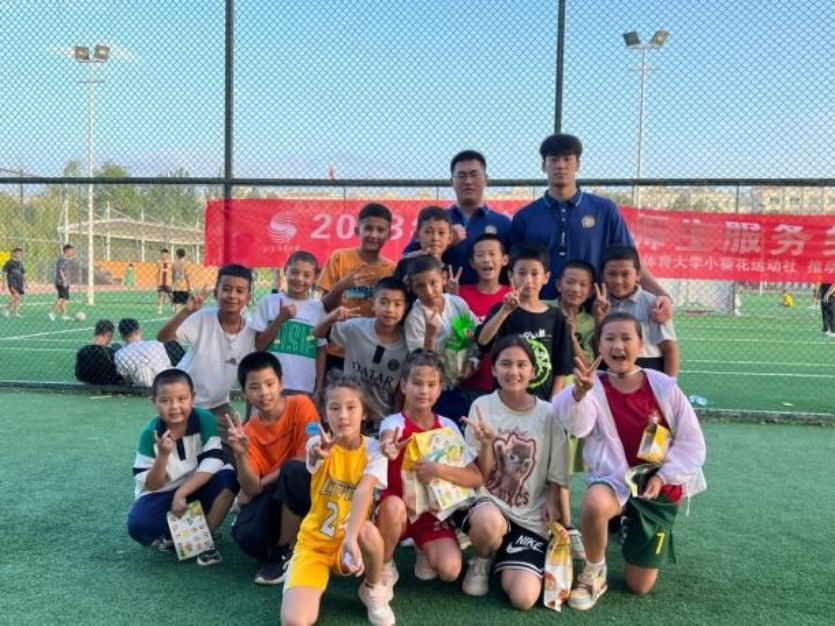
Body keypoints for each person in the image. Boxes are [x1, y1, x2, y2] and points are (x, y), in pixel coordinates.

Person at [553, 312, 707, 610]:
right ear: (599, 345)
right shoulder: (591, 385)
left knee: (639, 587)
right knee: (594, 503)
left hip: (656, 486)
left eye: (626, 338)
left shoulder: (663, 387)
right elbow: (578, 428)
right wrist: (579, 396)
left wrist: (664, 476)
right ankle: (595, 571)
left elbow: (692, 443)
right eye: (609, 338)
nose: (618, 346)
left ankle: (633, 523)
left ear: (640, 343)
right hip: (615, 481)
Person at [508, 133, 673, 322]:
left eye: (567, 159)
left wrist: (664, 296)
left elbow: (630, 262)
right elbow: (512, 271)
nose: (560, 165)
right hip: (539, 314)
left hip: (595, 313)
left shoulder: (604, 210)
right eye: (553, 159)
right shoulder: (525, 217)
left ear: (578, 164)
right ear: (543, 165)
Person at [459, 335, 569, 609]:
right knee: (489, 525)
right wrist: (487, 444)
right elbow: (477, 473)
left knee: (524, 598)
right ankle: (482, 558)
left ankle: (505, 555)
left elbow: (558, 463)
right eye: (505, 364)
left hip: (529, 515)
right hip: (489, 502)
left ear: (533, 370)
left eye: (521, 365)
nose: (514, 371)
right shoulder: (482, 406)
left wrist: (553, 499)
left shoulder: (549, 413)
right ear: (494, 369)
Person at [280, 375, 394, 626]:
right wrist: (317, 454)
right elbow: (314, 454)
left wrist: (350, 538)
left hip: (351, 541)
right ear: (324, 413)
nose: (343, 415)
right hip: (315, 543)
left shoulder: (374, 449)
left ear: (364, 413)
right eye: (334, 408)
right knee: (295, 621)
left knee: (368, 532)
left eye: (351, 407)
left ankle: (372, 587)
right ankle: (299, 573)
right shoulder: (317, 443)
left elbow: (364, 490)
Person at [376, 349, 483, 588]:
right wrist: (388, 447)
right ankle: (385, 563)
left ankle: (422, 548)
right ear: (403, 385)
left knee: (450, 570)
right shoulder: (393, 423)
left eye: (431, 384)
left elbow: (475, 477)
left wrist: (438, 470)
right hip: (397, 513)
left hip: (431, 514)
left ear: (440, 388)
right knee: (393, 506)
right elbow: (387, 439)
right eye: (417, 383)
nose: (424, 390)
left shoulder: (447, 427)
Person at [127, 369, 239, 566]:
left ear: (192, 398)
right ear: (153, 401)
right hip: (161, 492)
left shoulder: (204, 418)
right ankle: (171, 534)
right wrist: (162, 456)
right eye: (165, 400)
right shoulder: (149, 433)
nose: (175, 407)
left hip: (195, 485)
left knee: (228, 477)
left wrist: (181, 493)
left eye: (182, 399)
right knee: (139, 525)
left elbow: (214, 461)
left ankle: (203, 540)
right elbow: (151, 485)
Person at [228, 352, 319, 585]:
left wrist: (263, 482)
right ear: (244, 392)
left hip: (307, 486)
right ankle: (292, 539)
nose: (264, 392)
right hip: (275, 495)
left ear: (281, 383)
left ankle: (285, 550)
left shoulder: (302, 404)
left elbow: (306, 457)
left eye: (269, 384)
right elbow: (251, 488)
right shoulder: (248, 432)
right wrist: (240, 454)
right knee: (247, 538)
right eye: (254, 387)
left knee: (293, 470)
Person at [156, 264, 257, 459]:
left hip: (218, 405)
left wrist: (247, 418)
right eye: (226, 289)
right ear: (216, 292)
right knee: (180, 457)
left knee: (238, 451)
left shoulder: (251, 332)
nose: (232, 295)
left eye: (239, 291)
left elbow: (250, 380)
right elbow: (163, 337)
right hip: (185, 403)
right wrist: (186, 311)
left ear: (248, 297)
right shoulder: (203, 318)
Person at [476, 242, 574, 402]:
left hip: (542, 404)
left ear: (546, 277)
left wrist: (553, 402)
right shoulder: (502, 309)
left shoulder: (555, 317)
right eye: (521, 273)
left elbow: (561, 367)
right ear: (511, 276)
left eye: (535, 273)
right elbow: (483, 341)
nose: (528, 280)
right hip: (504, 402)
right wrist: (505, 311)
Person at [402, 151, 511, 286]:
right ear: (451, 182)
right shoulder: (438, 220)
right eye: (461, 176)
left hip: (487, 298)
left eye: (474, 175)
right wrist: (445, 243)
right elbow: (406, 258)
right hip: (441, 297)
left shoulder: (502, 223)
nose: (468, 181)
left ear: (486, 180)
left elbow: (511, 268)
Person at [313, 277, 409, 428]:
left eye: (397, 304)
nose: (390, 309)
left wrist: (395, 419)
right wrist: (331, 318)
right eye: (383, 302)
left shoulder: (408, 344)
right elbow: (317, 333)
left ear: (405, 308)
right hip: (348, 416)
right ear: (373, 303)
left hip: (381, 419)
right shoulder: (356, 328)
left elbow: (400, 388)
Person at [317, 203, 396, 372]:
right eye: (368, 228)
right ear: (356, 231)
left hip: (370, 355)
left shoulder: (392, 270)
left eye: (380, 230)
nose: (374, 235)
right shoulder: (339, 258)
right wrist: (340, 287)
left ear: (390, 234)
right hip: (337, 351)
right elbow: (323, 307)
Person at [404, 255, 478, 421]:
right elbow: (421, 364)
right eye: (420, 286)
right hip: (436, 391)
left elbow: (474, 336)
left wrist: (472, 362)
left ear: (443, 278)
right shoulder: (414, 319)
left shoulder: (457, 303)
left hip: (465, 383)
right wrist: (430, 334)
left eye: (433, 282)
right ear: (412, 287)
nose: (429, 291)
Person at [251, 251, 327, 397]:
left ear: (315, 278)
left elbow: (321, 349)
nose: (299, 279)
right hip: (270, 383)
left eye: (306, 275)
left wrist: (318, 387)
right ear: (285, 270)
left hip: (304, 385)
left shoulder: (317, 308)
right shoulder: (268, 301)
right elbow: (259, 345)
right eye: (295, 272)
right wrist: (280, 319)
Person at [595, 245, 679, 377]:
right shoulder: (598, 304)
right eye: (611, 274)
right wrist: (599, 318)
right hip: (610, 372)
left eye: (625, 274)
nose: (618, 280)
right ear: (602, 276)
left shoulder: (654, 304)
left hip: (648, 370)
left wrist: (669, 385)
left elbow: (670, 349)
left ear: (638, 275)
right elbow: (597, 346)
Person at [457, 233, 511, 409]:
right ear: (472, 262)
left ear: (505, 259)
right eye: (480, 255)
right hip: (467, 384)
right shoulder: (460, 294)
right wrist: (451, 297)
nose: (486, 259)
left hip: (504, 384)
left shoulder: (512, 297)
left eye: (492, 254)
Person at [393, 205, 453, 286]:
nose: (435, 238)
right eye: (428, 232)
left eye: (441, 233)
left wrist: (452, 292)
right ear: (417, 236)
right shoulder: (404, 265)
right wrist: (404, 287)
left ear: (450, 238)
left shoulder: (450, 272)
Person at [114, 318, 173, 388]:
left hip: (142, 386)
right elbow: (167, 365)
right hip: (165, 381)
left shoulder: (120, 354)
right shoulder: (156, 344)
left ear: (122, 336)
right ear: (139, 331)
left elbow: (127, 380)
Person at [75, 319, 123, 385]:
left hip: (87, 382)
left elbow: (78, 374)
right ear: (108, 335)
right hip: (108, 384)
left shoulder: (82, 351)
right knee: (117, 346)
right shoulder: (111, 353)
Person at [48, 243, 75, 321]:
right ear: (67, 251)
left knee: (65, 299)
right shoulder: (62, 258)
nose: (72, 252)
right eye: (71, 251)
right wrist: (64, 281)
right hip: (61, 282)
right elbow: (60, 270)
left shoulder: (66, 259)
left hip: (64, 282)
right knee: (62, 298)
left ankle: (64, 315)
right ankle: (52, 312)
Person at [2, 247, 26, 318]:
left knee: (18, 298)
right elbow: (4, 273)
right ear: (14, 253)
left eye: (20, 254)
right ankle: (6, 310)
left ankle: (16, 312)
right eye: (18, 253)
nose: (20, 255)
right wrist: (3, 283)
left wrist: (26, 283)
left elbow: (23, 273)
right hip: (12, 282)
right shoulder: (9, 262)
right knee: (16, 296)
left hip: (19, 283)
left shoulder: (20, 263)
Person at [171, 248, 192, 313]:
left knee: (177, 306)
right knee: (186, 307)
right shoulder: (187, 263)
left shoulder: (174, 264)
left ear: (177, 255)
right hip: (184, 287)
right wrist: (189, 287)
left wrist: (172, 285)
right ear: (184, 254)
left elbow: (173, 276)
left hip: (176, 287)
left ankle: (177, 318)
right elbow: (187, 276)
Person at [156, 248, 173, 314]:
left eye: (164, 254)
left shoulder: (171, 263)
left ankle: (173, 307)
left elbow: (173, 273)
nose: (162, 255)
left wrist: (172, 282)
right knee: (161, 295)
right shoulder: (158, 262)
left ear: (167, 255)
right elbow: (157, 272)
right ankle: (160, 308)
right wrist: (157, 282)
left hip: (168, 282)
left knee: (170, 295)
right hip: (161, 281)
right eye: (162, 254)